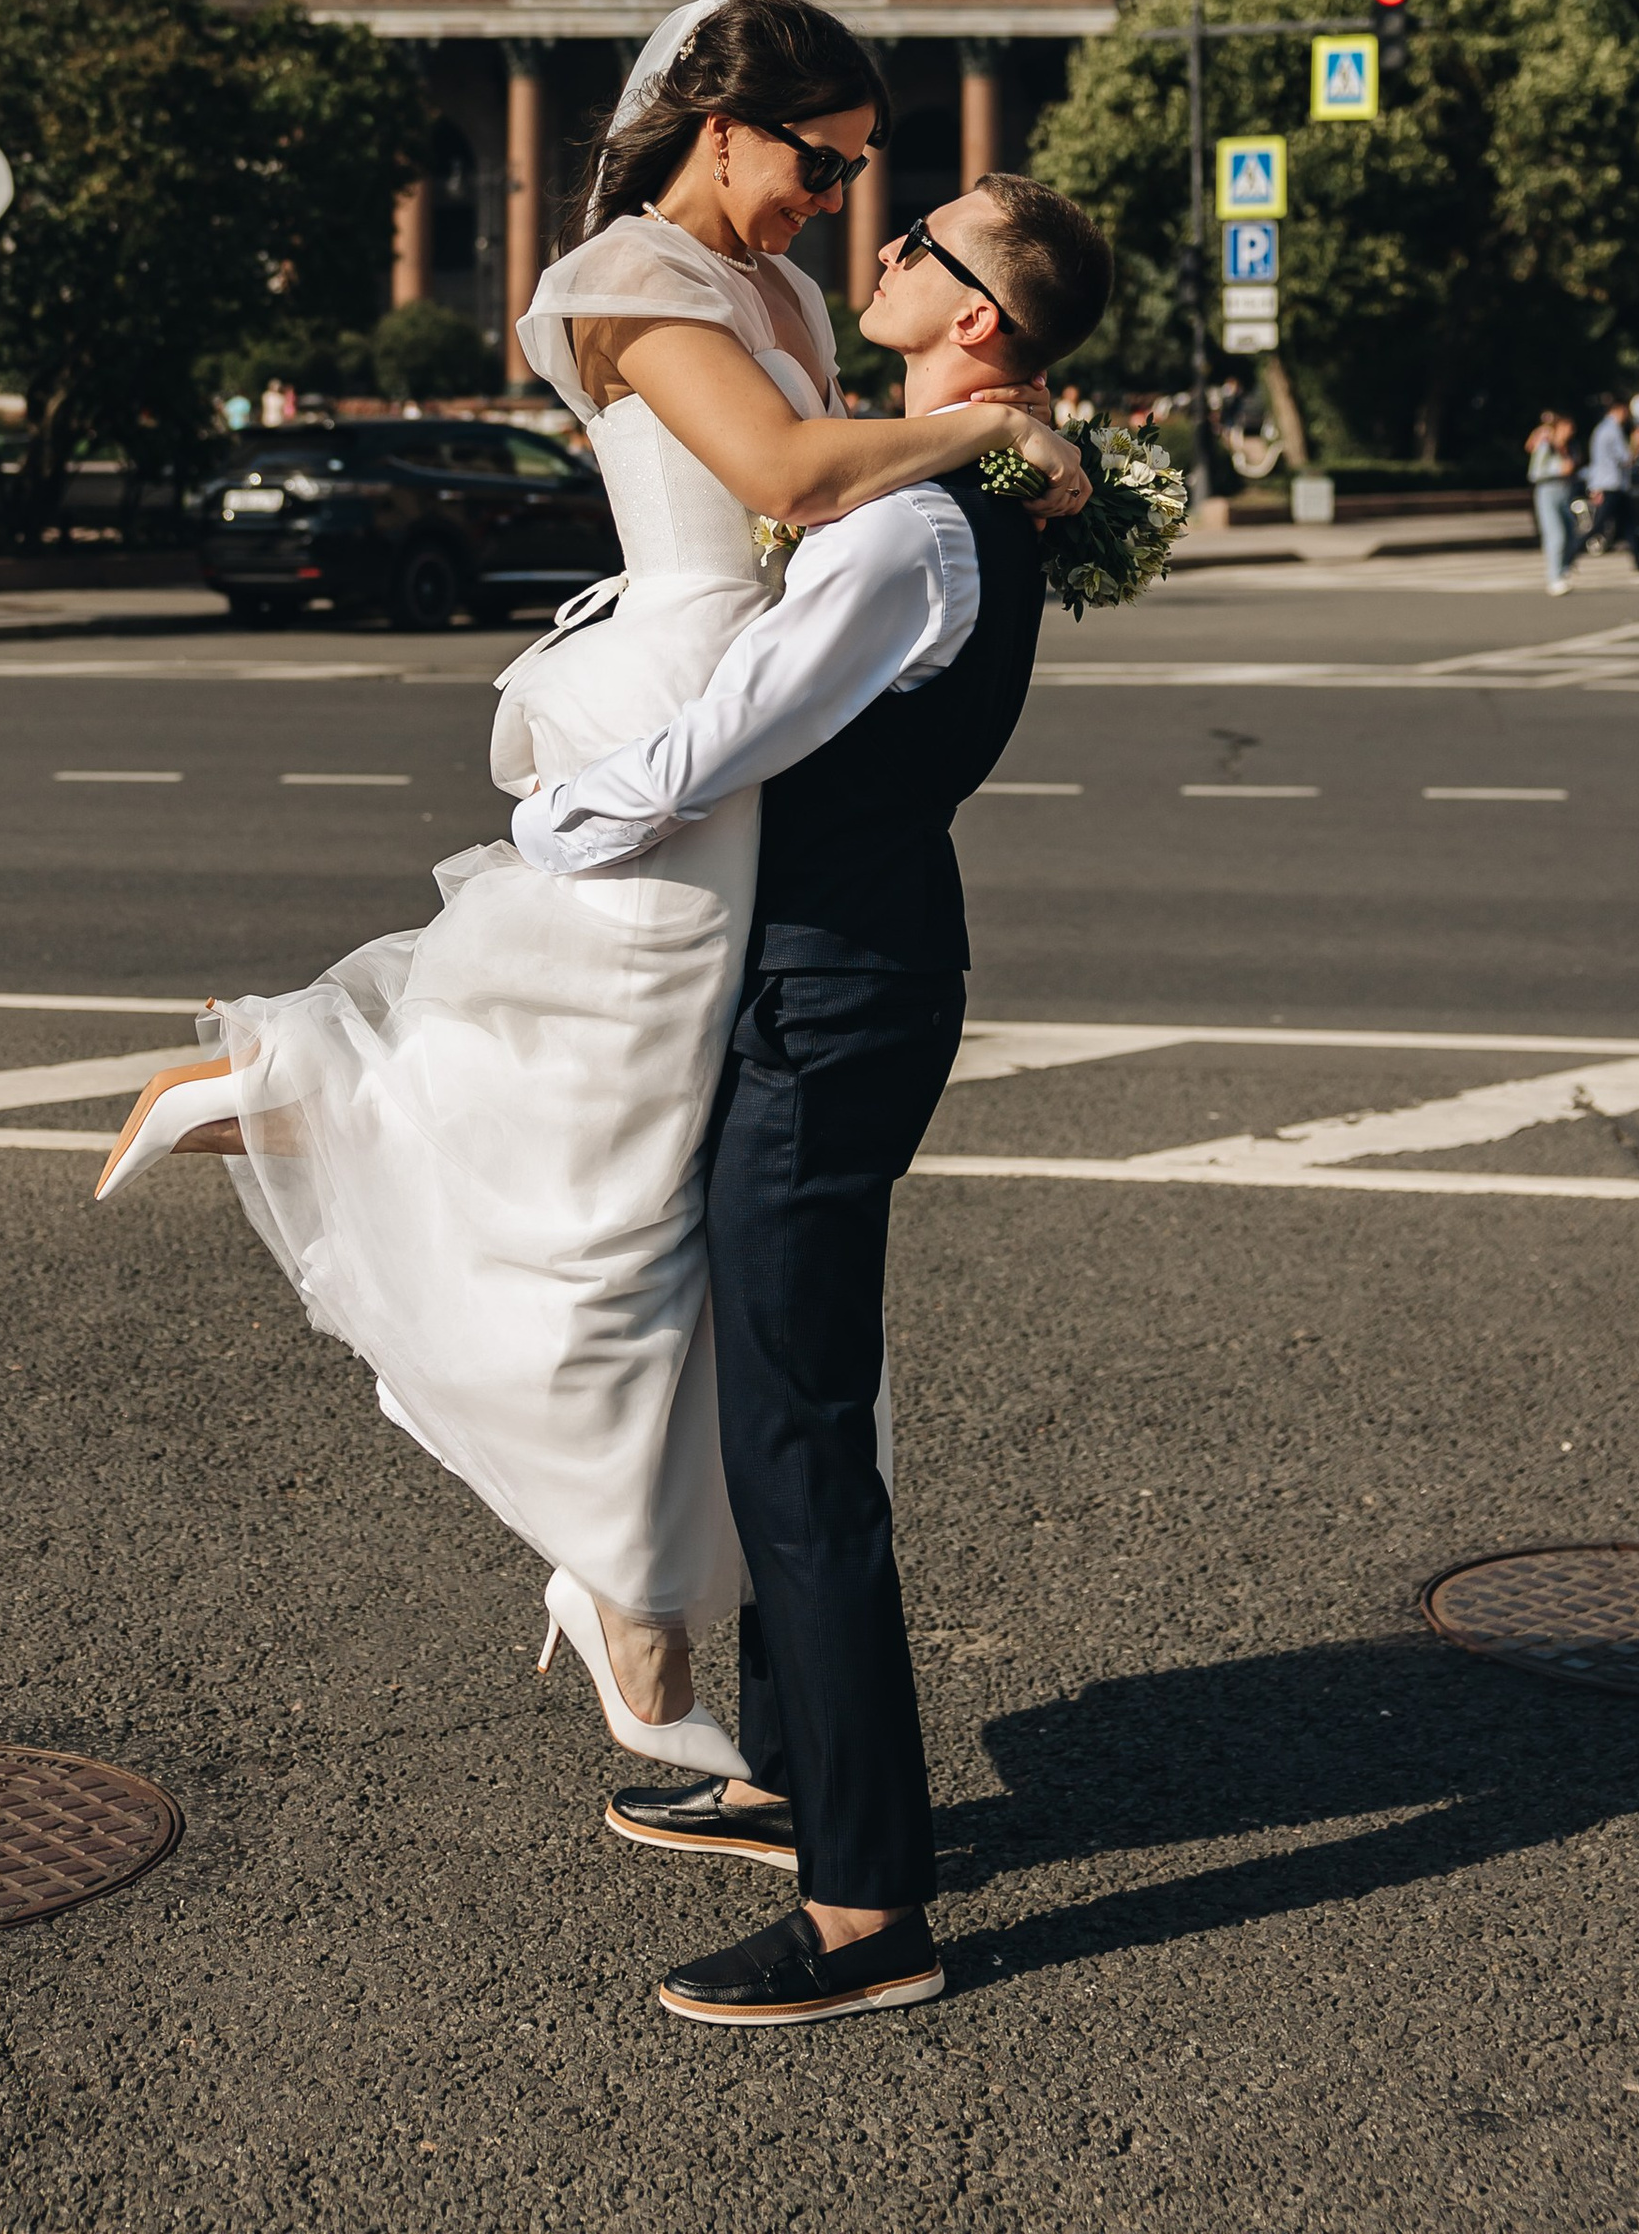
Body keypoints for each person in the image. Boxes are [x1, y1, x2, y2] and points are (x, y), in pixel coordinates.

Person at [92, 0, 1090, 1782]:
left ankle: (626, 1589)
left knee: (676, 1184)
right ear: (724, 128)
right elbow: (786, 475)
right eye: (821, 166)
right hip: (682, 718)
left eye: (863, 177)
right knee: (618, 1166)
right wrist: (996, 431)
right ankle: (288, 1093)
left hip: (754, 710)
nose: (837, 209)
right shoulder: (623, 279)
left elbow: (831, 501)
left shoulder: (788, 299)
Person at [512, 171, 1111, 2025]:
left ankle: (868, 1913)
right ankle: (787, 1777)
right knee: (774, 1401)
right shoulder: (956, 491)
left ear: (976, 319)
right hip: (853, 970)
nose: (886, 250)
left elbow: (727, 737)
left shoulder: (911, 530)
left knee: (801, 1445)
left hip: (830, 1000)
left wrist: (551, 820)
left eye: (920, 242)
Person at [1586, 392, 1639, 572]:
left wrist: (1594, 485)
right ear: (1619, 410)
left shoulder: (1602, 429)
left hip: (1612, 485)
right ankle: (1570, 554)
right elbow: (1626, 459)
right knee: (1599, 526)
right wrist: (1637, 442)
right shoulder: (1612, 431)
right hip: (1612, 486)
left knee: (1629, 526)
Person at [1525, 409, 1580, 594]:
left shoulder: (1569, 448)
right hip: (1547, 493)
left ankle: (1564, 571)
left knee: (1571, 535)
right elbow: (1534, 473)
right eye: (1565, 428)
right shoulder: (1545, 445)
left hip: (1565, 494)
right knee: (1556, 536)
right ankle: (1554, 578)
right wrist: (1558, 469)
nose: (1569, 432)